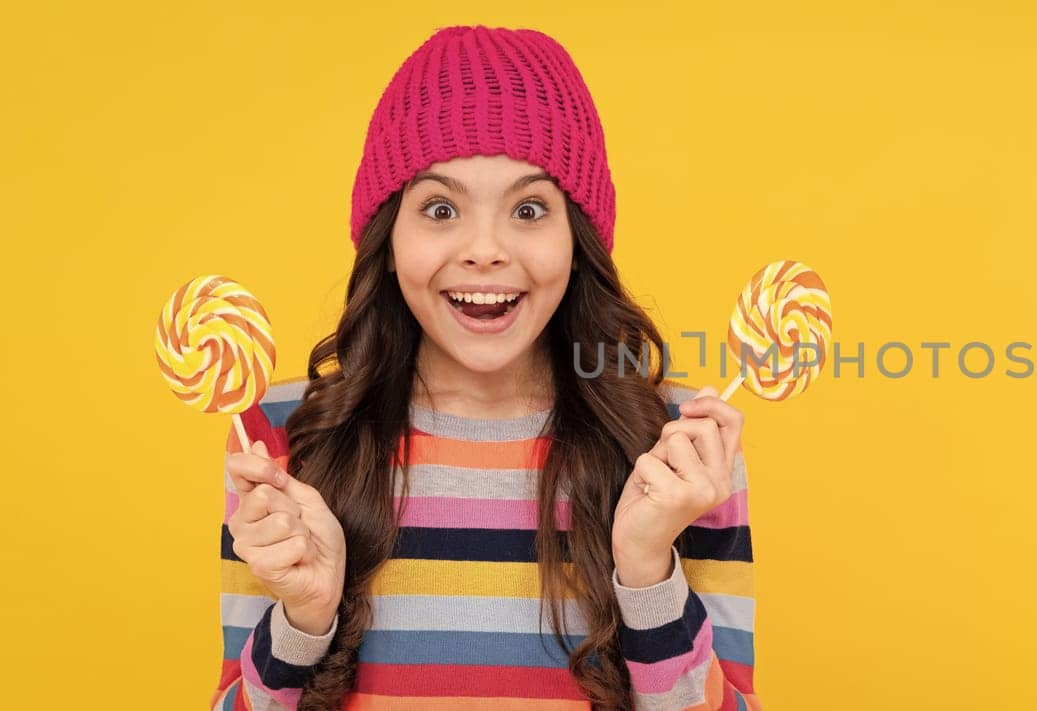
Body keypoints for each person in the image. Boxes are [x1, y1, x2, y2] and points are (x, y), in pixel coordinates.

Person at [210, 25, 759, 711]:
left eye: (529, 209)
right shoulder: (282, 437)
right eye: (440, 208)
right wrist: (305, 618)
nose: (484, 250)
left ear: (577, 239)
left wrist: (647, 572)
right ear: (387, 239)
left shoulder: (678, 450)